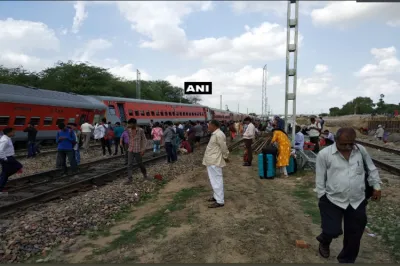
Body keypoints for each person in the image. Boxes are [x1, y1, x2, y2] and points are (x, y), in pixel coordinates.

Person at [315, 127, 382, 263]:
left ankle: (346, 260)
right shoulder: (324, 154)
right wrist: (322, 196)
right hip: (332, 199)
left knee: (354, 236)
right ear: (336, 140)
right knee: (332, 230)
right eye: (343, 144)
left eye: (350, 144)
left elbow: (371, 168)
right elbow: (320, 178)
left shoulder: (360, 151)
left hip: (357, 200)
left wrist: (376, 186)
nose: (347, 147)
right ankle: (325, 240)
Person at [202, 120, 229, 208]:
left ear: (214, 125)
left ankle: (220, 201)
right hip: (211, 161)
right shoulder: (215, 134)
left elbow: (223, 147)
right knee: (213, 180)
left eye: (209, 125)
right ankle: (216, 196)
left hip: (215, 161)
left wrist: (225, 156)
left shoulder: (219, 134)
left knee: (217, 180)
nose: (208, 126)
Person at [125, 118, 150, 184]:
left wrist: (143, 149)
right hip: (130, 149)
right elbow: (125, 133)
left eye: (131, 124)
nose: (130, 125)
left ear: (135, 124)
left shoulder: (140, 130)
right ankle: (129, 179)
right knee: (129, 164)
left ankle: (145, 175)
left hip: (138, 150)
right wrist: (127, 126)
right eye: (129, 123)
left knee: (140, 164)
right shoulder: (128, 130)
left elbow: (144, 140)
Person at [0, 128, 23, 195]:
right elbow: (0, 150)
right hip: (7, 158)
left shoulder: (7, 138)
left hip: (9, 157)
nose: (14, 133)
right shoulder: (5, 140)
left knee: (8, 172)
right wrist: (5, 158)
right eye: (13, 132)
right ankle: (0, 188)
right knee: (18, 166)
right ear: (8, 133)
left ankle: (1, 185)